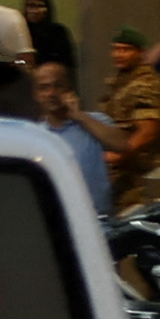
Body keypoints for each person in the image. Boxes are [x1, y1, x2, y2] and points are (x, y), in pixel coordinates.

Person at [31, 61, 125, 214]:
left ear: (69, 90)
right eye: (44, 88)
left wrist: (78, 116)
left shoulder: (96, 121)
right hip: (57, 218)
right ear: (36, 95)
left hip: (98, 220)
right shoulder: (35, 135)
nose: (51, 93)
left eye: (58, 86)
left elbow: (122, 144)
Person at [102, 29, 160, 213]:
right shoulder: (122, 81)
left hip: (141, 178)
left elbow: (148, 131)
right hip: (123, 178)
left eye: (125, 50)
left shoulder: (144, 84)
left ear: (140, 52)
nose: (118, 55)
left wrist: (118, 156)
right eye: (115, 49)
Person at [20, 0, 78, 81]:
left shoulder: (58, 32)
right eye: (30, 6)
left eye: (39, 6)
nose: (34, 11)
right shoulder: (20, 33)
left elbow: (68, 66)